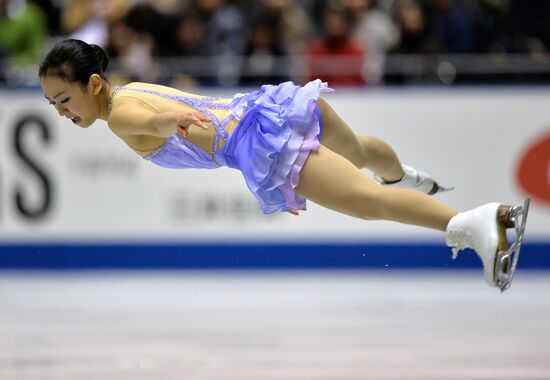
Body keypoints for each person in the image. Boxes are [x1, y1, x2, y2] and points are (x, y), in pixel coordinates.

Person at [38, 39, 529, 292]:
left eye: (64, 99)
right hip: (272, 108)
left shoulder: (119, 114)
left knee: (367, 203)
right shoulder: (128, 93)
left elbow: (170, 125)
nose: (62, 112)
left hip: (262, 140)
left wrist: (269, 169)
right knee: (357, 150)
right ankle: (408, 177)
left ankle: (478, 223)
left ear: (95, 84)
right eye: (52, 104)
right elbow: (168, 118)